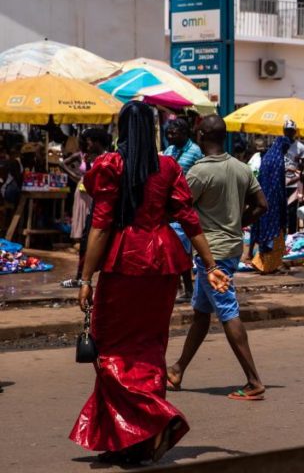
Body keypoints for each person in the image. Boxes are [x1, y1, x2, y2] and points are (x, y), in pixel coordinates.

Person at [70, 102, 229, 464]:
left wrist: (85, 278)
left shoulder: (111, 165)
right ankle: (127, 438)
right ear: (155, 130)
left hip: (125, 262)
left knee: (110, 349)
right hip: (161, 263)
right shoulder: (168, 166)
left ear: (122, 128)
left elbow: (100, 227)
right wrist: (209, 264)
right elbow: (189, 218)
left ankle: (152, 421)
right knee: (150, 347)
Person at [167, 115, 268, 401]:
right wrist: (238, 223)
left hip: (212, 256)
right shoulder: (241, 168)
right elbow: (261, 205)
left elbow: (178, 208)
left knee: (227, 311)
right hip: (230, 249)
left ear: (200, 136)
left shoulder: (199, 173)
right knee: (202, 312)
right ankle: (177, 370)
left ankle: (254, 381)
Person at [59, 128, 111, 288]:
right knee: (84, 240)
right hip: (91, 200)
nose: (86, 144)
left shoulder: (109, 158)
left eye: (89, 141)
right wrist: (78, 177)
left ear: (96, 142)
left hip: (102, 204)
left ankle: (90, 279)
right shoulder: (87, 156)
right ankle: (80, 277)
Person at [163, 118, 203, 301]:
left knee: (184, 248)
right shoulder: (169, 150)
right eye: (168, 133)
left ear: (185, 133)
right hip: (168, 207)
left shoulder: (195, 152)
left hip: (186, 206)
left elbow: (201, 176)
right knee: (171, 247)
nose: (170, 136)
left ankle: (188, 288)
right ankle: (178, 287)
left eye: (174, 133)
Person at [250, 134, 291, 274]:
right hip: (274, 201)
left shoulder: (267, 157)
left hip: (263, 197)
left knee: (265, 230)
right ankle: (269, 265)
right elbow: (279, 184)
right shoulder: (278, 160)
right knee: (275, 233)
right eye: (286, 149)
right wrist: (281, 201)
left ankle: (260, 261)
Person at [283, 120, 304, 235]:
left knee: (292, 211)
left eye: (291, 131)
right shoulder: (278, 145)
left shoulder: (301, 147)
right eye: (287, 131)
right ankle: (281, 236)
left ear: (295, 132)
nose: (289, 133)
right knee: (280, 210)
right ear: (284, 131)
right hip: (280, 182)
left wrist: (300, 163)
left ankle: (291, 236)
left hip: (294, 183)